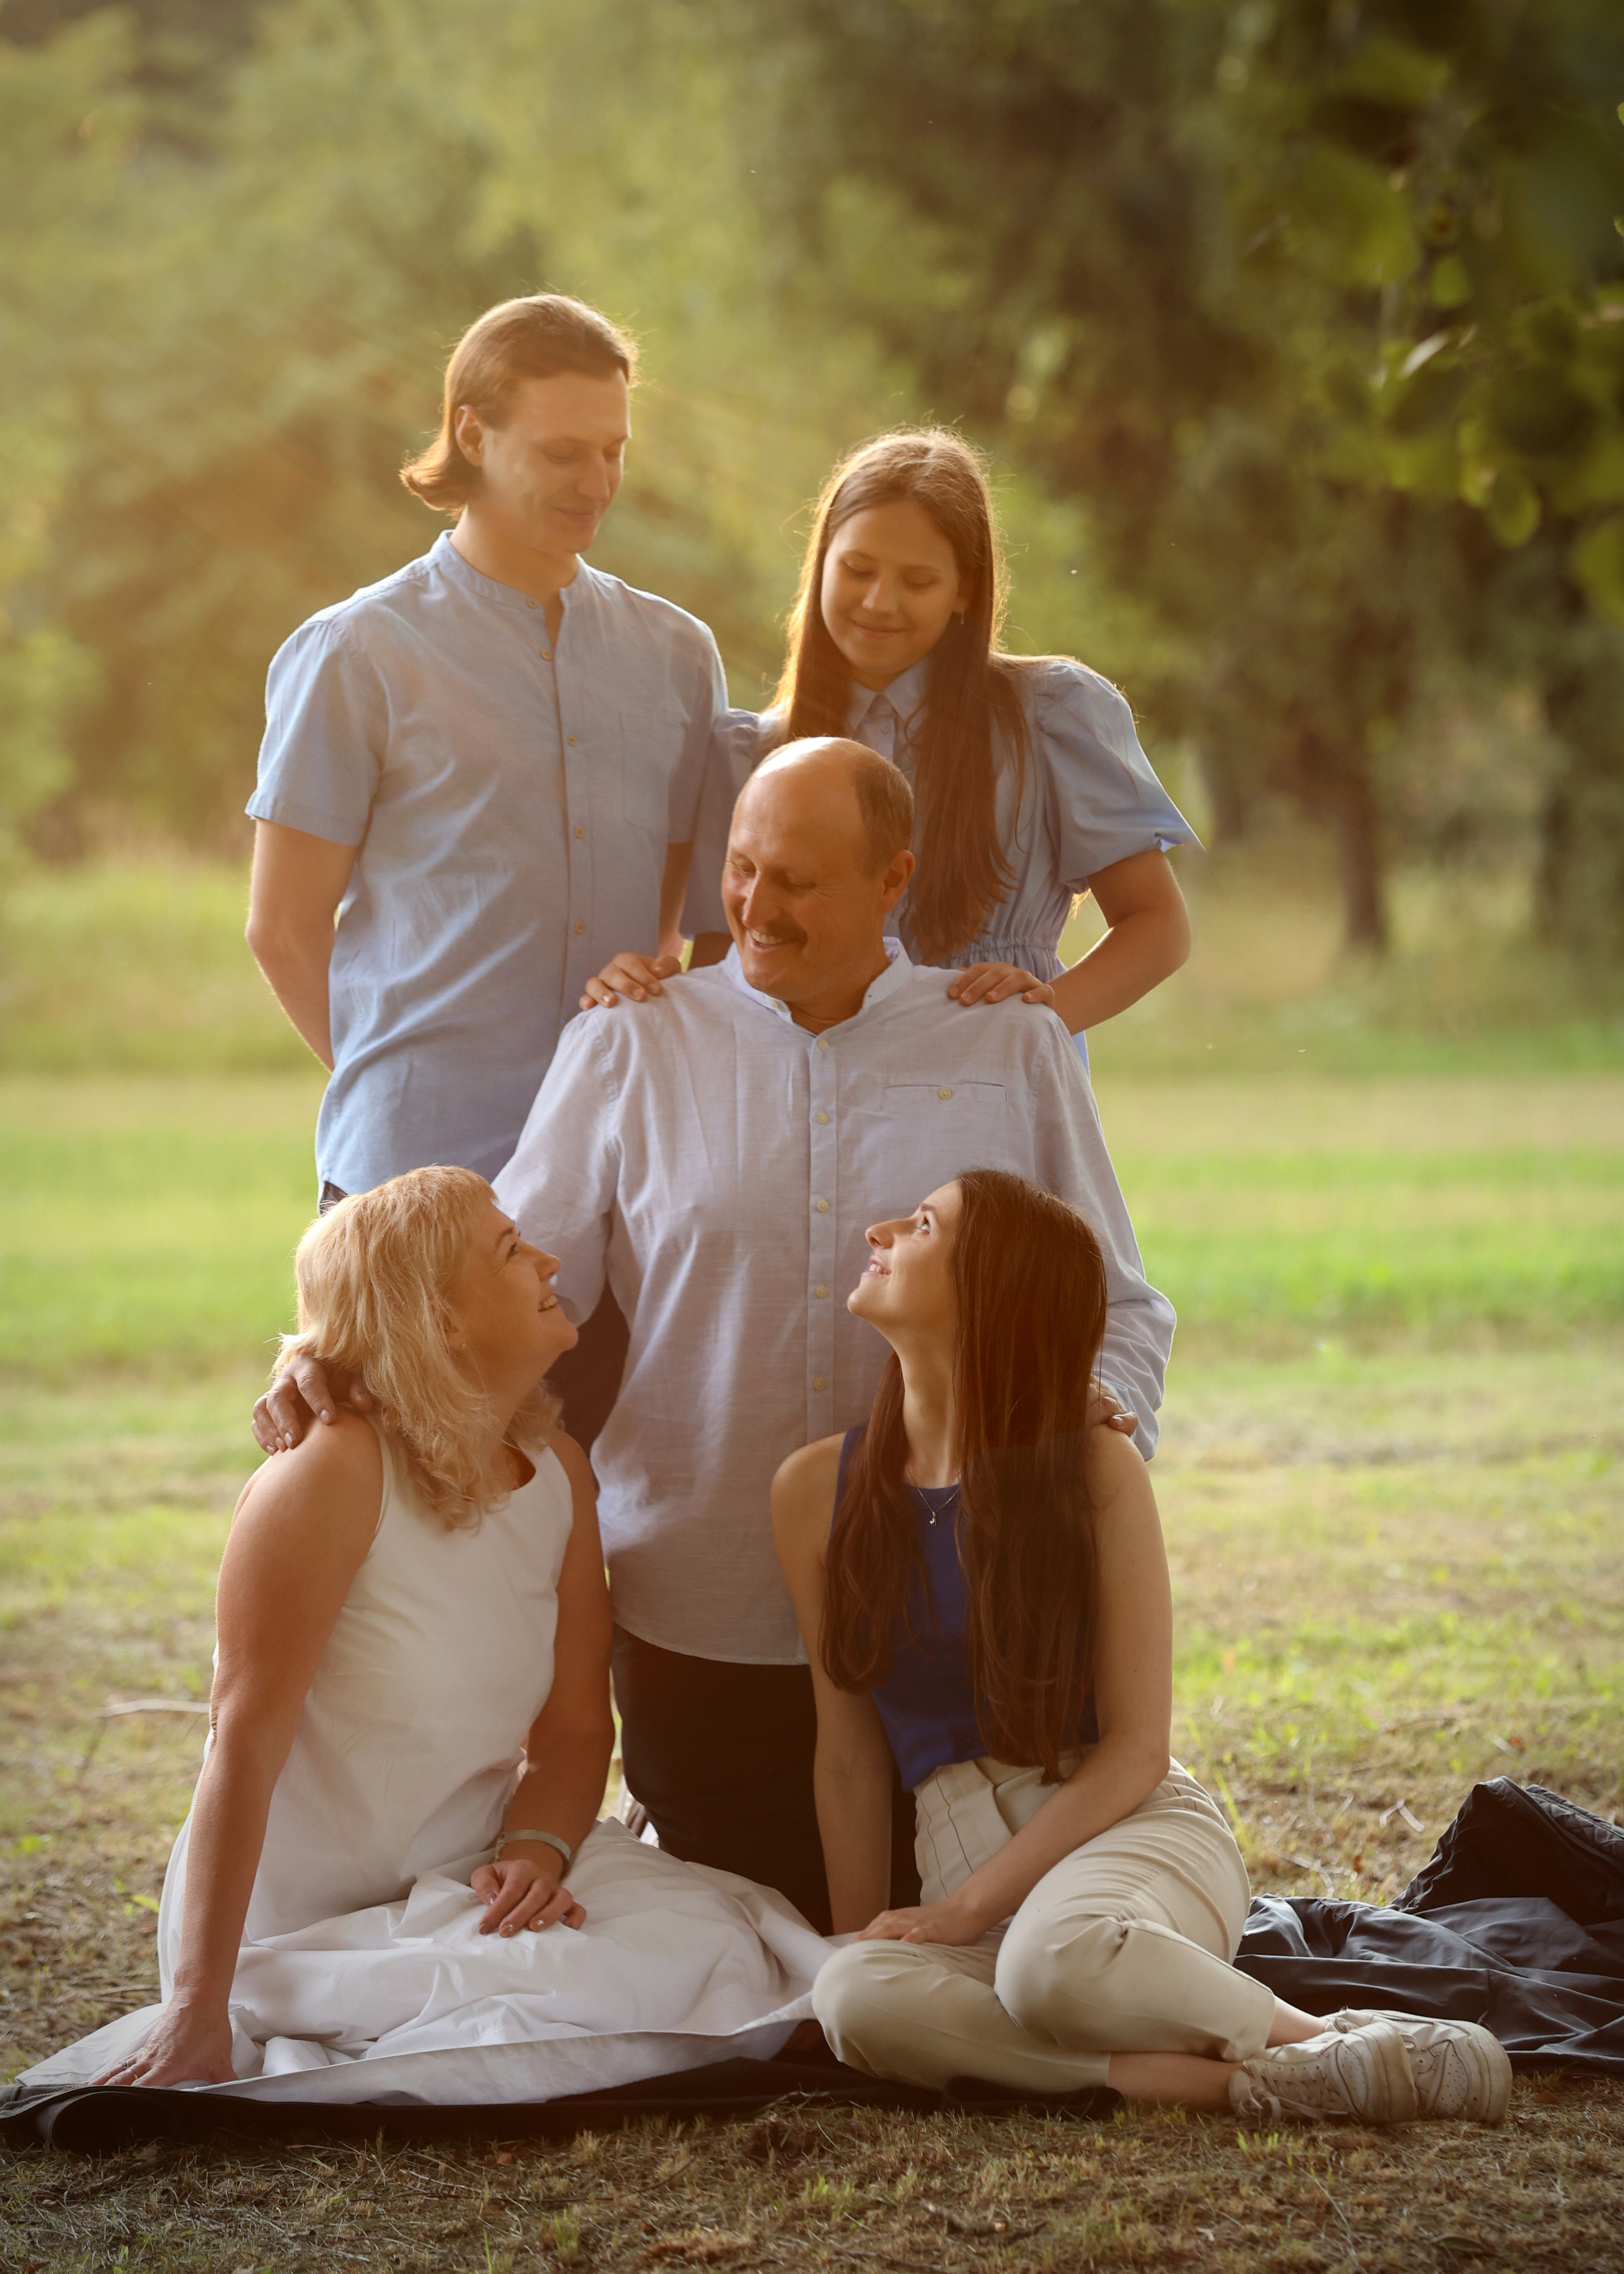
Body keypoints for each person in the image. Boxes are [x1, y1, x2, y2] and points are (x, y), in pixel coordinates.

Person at [256, 739, 1175, 1931]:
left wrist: (1091, 1441)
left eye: (798, 879)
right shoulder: (629, 1042)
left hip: (958, 1621)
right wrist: (336, 1357)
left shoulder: (1005, 1042)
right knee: (747, 1934)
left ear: (893, 880)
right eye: (742, 868)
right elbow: (490, 1290)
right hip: (700, 1607)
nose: (756, 904)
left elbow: (1121, 1305)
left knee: (976, 1935)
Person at [18, 1169, 825, 2106]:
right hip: (312, 1911)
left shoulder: (559, 1473)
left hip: (469, 1868)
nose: (548, 1260)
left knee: (718, 1938)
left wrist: (535, 1855)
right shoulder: (330, 1472)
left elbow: (573, 1732)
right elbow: (242, 1742)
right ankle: (286, 1994)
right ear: (441, 1321)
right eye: (511, 1249)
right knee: (600, 1987)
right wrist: (197, 2004)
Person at [773, 1167, 1512, 2126]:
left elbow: (1135, 1750)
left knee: (1052, 1964)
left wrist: (966, 1912)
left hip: (1125, 1831)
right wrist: (855, 1937)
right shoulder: (812, 1491)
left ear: (992, 1292)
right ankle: (1266, 2081)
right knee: (853, 1999)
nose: (878, 1230)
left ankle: (1324, 2036)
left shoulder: (1090, 1466)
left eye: (919, 1225)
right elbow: (848, 1757)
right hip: (961, 1863)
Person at [244, 292, 735, 1441]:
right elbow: (283, 927)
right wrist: (395, 1085)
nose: (597, 481)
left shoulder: (677, 654)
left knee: (594, 1496)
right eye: (564, 453)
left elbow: (693, 914)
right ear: (472, 432)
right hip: (412, 1173)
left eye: (614, 450)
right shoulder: (357, 651)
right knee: (393, 1495)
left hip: (622, 1177)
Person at [582, 428, 1197, 1055]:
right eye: (857, 569)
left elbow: (1157, 925)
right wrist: (638, 993)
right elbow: (729, 967)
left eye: (918, 581)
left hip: (993, 1083)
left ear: (963, 590)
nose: (879, 602)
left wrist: (1031, 1024)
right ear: (821, 562)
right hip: (809, 1085)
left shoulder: (1050, 715)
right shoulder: (750, 754)